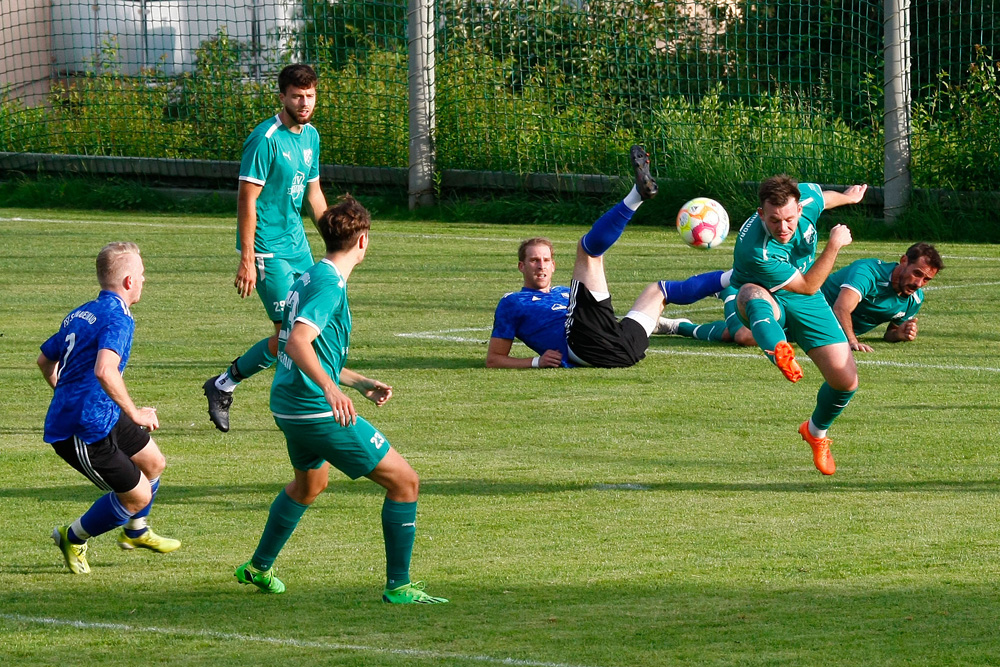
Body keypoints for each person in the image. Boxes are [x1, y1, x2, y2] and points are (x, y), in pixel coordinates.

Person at [233, 196, 447, 604]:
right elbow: (297, 341)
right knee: (405, 482)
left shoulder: (311, 274)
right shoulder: (330, 285)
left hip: (289, 405)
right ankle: (399, 586)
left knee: (309, 484)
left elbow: (298, 345)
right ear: (363, 241)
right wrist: (331, 390)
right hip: (314, 409)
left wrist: (356, 381)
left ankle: (259, 567)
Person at [488, 145, 732, 369]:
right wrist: (534, 361)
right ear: (521, 266)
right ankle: (636, 196)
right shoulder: (512, 302)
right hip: (586, 345)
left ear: (554, 265)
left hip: (623, 348)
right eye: (533, 260)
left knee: (659, 291)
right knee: (588, 252)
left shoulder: (565, 292)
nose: (540, 265)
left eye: (545, 260)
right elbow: (494, 359)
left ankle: (736, 274)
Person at [39, 242, 180, 574]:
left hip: (101, 413)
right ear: (129, 281)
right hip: (81, 430)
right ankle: (71, 537)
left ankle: (137, 531)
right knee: (137, 495)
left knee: (154, 462)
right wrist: (134, 412)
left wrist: (67, 393)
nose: (145, 280)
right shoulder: (118, 319)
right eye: (142, 274)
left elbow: (46, 360)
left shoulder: (82, 312)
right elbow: (105, 370)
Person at [203, 63, 328, 433]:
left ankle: (228, 385)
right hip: (267, 252)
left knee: (310, 329)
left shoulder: (311, 136)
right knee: (289, 335)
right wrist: (247, 258)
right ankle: (226, 385)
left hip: (298, 248)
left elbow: (314, 192)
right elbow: (247, 200)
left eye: (309, 96)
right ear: (282, 97)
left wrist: (334, 241)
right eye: (296, 96)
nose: (304, 103)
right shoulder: (265, 139)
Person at [730, 175, 867, 475]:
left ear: (800, 209)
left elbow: (824, 197)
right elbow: (806, 285)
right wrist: (834, 245)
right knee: (751, 295)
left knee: (846, 382)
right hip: (767, 294)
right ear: (760, 214)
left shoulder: (805, 198)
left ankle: (815, 432)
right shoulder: (757, 251)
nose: (783, 228)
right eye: (774, 220)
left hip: (806, 298)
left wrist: (848, 197)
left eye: (790, 219)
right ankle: (777, 347)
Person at [667, 242, 943, 352]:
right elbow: (841, 308)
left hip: (815, 331)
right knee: (744, 337)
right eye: (916, 273)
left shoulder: (914, 299)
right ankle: (729, 290)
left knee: (732, 335)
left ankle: (679, 326)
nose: (918, 283)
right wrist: (851, 341)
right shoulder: (868, 271)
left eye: (926, 279)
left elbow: (889, 334)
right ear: (904, 260)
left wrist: (901, 333)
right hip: (801, 309)